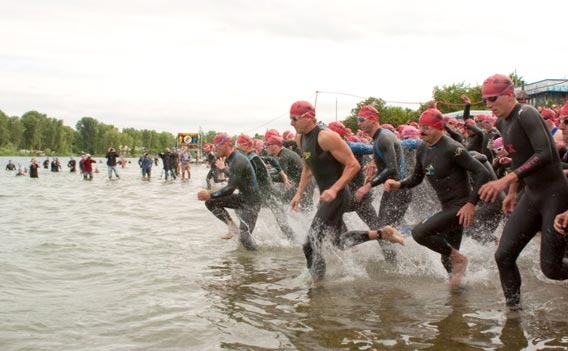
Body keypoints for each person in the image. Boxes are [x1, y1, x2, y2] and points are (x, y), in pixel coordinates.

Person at [478, 74, 568, 310]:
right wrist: (512, 192)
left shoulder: (526, 114)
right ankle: (514, 313)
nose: (489, 105)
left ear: (509, 95)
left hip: (554, 194)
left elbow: (544, 154)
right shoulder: (501, 123)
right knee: (503, 256)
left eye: (493, 99)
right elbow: (519, 159)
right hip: (531, 194)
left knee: (553, 269)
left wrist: (506, 180)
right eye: (485, 100)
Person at [289, 101, 402, 281]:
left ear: (308, 117)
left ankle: (316, 286)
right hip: (328, 197)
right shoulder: (300, 138)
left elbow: (353, 165)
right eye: (290, 118)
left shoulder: (326, 137)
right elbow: (307, 168)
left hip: (338, 196)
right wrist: (299, 193)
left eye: (294, 118)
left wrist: (334, 190)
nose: (291, 123)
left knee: (310, 244)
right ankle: (381, 234)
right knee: (338, 242)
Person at [384, 108, 492, 287]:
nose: (422, 131)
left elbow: (482, 173)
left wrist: (471, 204)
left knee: (419, 232)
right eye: (420, 126)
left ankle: (459, 260)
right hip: (447, 206)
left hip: (460, 207)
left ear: (439, 127)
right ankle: (459, 296)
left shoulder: (453, 148)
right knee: (446, 260)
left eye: (427, 127)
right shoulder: (422, 148)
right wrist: (399, 184)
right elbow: (416, 178)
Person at [353, 105, 413, 262]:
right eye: (357, 120)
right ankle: (396, 261)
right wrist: (375, 167)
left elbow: (392, 168)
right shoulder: (380, 137)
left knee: (383, 230)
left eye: (361, 119)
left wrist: (368, 185)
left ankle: (423, 231)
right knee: (382, 229)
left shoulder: (384, 138)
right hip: (393, 190)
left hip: (399, 190)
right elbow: (387, 162)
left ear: (373, 120)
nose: (358, 123)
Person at [197, 133, 260, 250]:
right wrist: (224, 169)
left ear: (226, 145)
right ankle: (232, 227)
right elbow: (236, 177)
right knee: (211, 203)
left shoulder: (238, 160)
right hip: (242, 198)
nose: (215, 149)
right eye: (214, 146)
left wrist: (210, 194)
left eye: (217, 146)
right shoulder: (232, 158)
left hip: (252, 202)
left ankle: (255, 262)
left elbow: (230, 188)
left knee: (244, 238)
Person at [236, 134, 296, 241]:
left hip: (271, 195)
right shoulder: (252, 157)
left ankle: (296, 243)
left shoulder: (253, 159)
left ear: (245, 146)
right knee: (238, 206)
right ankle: (246, 236)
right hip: (266, 194)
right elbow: (272, 160)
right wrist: (283, 174)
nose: (236, 150)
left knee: (283, 224)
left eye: (238, 147)